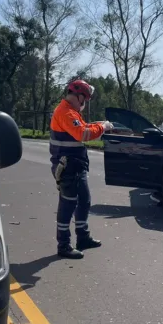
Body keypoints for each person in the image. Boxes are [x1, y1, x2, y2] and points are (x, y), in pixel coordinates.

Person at [49, 79, 114, 259]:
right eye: (85, 100)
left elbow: (84, 127)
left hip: (76, 166)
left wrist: (99, 124)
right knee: (68, 204)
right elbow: (83, 134)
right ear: (79, 97)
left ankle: (83, 237)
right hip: (67, 167)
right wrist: (103, 127)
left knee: (84, 200)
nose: (84, 104)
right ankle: (63, 245)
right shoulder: (66, 113)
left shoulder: (72, 112)